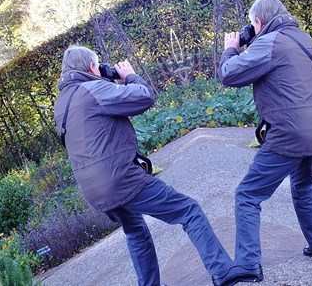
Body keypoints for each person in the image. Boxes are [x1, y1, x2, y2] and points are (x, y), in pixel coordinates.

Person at [54, 45, 241, 286]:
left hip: (93, 189)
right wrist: (129, 76)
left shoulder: (63, 102)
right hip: (120, 180)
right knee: (189, 211)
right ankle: (223, 271)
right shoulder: (94, 88)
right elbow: (143, 96)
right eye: (98, 66)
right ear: (92, 67)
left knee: (135, 232)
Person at [218, 0, 312, 281]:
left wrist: (231, 48)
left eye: (251, 26)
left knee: (247, 195)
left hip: (290, 133)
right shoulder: (302, 37)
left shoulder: (270, 42)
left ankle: (247, 264)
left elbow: (229, 74)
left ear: (259, 22)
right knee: (303, 185)